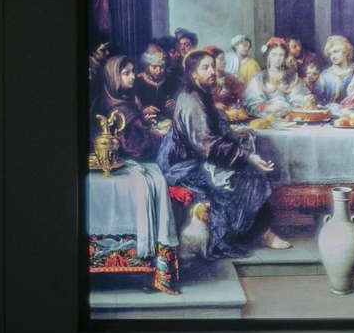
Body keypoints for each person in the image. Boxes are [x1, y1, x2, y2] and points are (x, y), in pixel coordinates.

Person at [156, 50, 291, 256]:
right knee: (249, 177)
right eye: (205, 68)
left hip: (197, 157)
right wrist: (246, 155)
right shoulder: (191, 100)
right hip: (182, 165)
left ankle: (261, 232)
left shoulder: (199, 93)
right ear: (193, 74)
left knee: (248, 172)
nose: (212, 71)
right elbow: (206, 144)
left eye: (212, 66)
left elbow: (209, 134)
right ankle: (258, 233)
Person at [89, 55, 158, 159]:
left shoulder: (113, 96)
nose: (133, 76)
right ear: (114, 77)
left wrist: (142, 120)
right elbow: (137, 147)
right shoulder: (118, 108)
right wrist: (159, 135)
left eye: (133, 71)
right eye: (126, 73)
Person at [245, 40, 314, 117]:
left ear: (285, 57)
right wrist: (268, 108)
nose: (277, 58)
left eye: (281, 55)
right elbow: (253, 102)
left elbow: (298, 98)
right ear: (268, 56)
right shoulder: (259, 78)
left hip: (289, 116)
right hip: (267, 117)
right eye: (274, 55)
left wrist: (305, 100)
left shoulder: (292, 77)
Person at [315, 35, 354, 110]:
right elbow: (318, 100)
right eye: (330, 54)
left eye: (336, 52)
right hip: (332, 115)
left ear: (345, 52)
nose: (333, 56)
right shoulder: (324, 76)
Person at [133, 46, 176, 120]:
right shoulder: (137, 82)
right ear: (147, 67)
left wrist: (174, 102)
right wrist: (143, 110)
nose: (158, 71)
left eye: (162, 67)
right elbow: (131, 107)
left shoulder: (172, 81)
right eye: (154, 67)